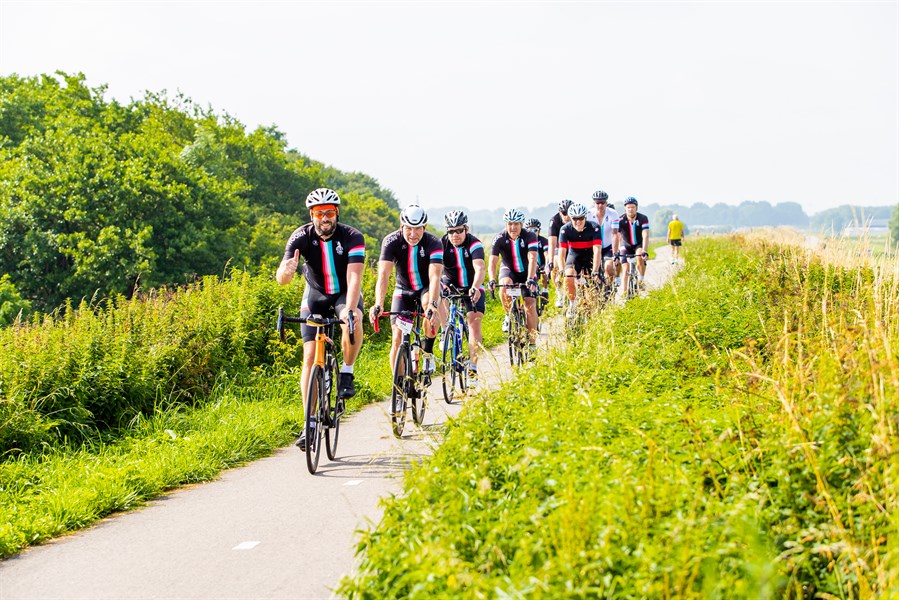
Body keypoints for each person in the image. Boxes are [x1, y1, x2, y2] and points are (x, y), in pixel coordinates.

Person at [276, 188, 365, 451]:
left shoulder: (352, 237)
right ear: (311, 215)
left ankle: (346, 372)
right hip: (315, 294)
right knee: (309, 356)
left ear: (336, 213)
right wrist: (286, 271)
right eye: (318, 213)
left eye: (329, 212)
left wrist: (349, 310)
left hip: (343, 293)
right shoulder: (300, 236)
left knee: (354, 319)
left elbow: (354, 278)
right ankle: (310, 422)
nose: (324, 218)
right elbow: (282, 277)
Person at [369, 205, 444, 377]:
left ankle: (427, 351)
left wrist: (433, 304)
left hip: (426, 288)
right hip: (403, 289)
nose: (413, 234)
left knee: (428, 306)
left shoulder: (434, 243)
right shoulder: (391, 241)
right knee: (397, 337)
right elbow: (383, 275)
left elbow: (435, 277)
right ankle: (399, 388)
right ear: (401, 226)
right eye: (408, 228)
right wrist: (378, 304)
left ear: (424, 228)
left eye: (418, 229)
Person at [438, 210, 486, 386]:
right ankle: (445, 331)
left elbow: (480, 268)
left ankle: (472, 367)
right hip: (450, 283)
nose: (455, 235)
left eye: (458, 230)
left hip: (473, 285)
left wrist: (474, 287)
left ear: (466, 228)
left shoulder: (474, 244)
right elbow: (434, 269)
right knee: (437, 290)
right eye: (451, 231)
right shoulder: (441, 244)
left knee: (473, 322)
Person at [487, 209, 540, 352]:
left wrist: (530, 278)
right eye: (510, 224)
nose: (513, 227)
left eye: (516, 224)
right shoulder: (499, 238)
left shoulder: (529, 236)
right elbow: (492, 262)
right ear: (506, 224)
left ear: (521, 224)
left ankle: (532, 343)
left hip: (527, 271)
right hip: (509, 270)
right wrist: (492, 279)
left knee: (530, 304)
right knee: (504, 285)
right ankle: (508, 314)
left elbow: (532, 257)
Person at [557, 202, 602, 317]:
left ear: (585, 217)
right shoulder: (565, 229)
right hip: (574, 256)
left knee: (593, 294)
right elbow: (562, 254)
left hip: (590, 257)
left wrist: (595, 270)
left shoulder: (594, 227)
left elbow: (597, 251)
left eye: (581, 218)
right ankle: (572, 304)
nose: (578, 222)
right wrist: (562, 270)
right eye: (574, 219)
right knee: (569, 275)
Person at [618, 197, 650, 291]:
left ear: (637, 208)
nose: (630, 209)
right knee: (625, 268)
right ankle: (624, 294)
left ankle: (641, 280)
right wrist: (616, 251)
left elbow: (645, 234)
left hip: (638, 244)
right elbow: (618, 236)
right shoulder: (620, 219)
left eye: (633, 207)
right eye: (628, 207)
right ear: (625, 208)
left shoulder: (643, 218)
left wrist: (645, 250)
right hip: (625, 245)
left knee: (640, 256)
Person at [591, 190, 621, 294]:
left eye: (602, 203)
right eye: (597, 203)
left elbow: (614, 234)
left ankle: (609, 289)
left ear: (606, 203)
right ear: (593, 203)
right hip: (594, 248)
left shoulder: (613, 214)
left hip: (608, 246)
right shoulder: (588, 215)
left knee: (609, 267)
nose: (600, 205)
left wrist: (615, 253)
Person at [547, 199, 573, 308]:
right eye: (564, 213)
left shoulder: (577, 218)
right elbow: (552, 244)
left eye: (569, 213)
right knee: (555, 263)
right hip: (559, 246)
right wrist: (551, 261)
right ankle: (559, 292)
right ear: (560, 212)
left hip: (572, 247)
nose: (567, 217)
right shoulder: (554, 221)